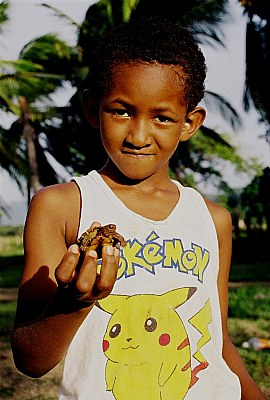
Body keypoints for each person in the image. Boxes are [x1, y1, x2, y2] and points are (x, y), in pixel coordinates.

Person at [11, 17, 267, 400]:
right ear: (91, 108)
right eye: (122, 111)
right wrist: (74, 302)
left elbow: (219, 339)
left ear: (189, 123)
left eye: (162, 117)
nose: (139, 136)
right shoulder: (63, 206)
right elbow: (31, 360)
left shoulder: (213, 220)